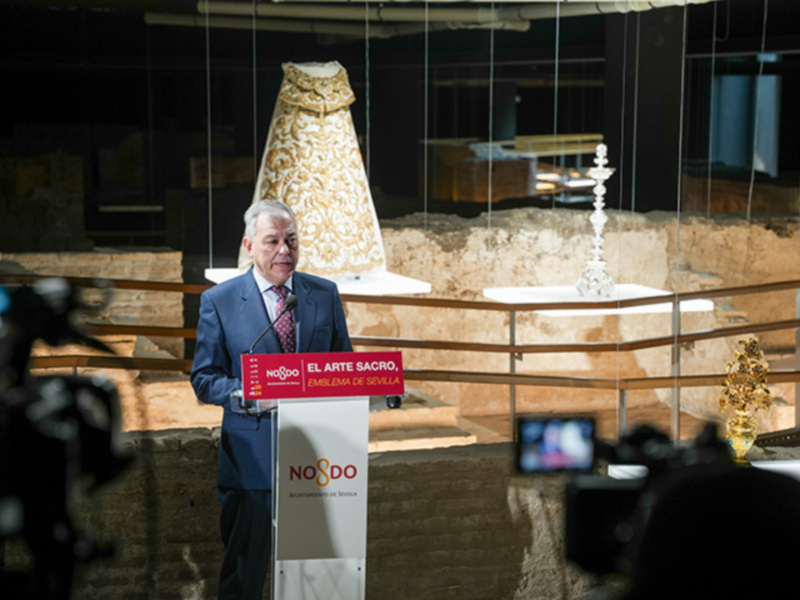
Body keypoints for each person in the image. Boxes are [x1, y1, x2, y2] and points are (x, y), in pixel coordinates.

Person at [191, 199, 352, 600]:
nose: (285, 250)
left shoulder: (324, 294)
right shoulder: (220, 301)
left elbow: (342, 366)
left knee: (312, 577)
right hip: (253, 462)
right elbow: (204, 379)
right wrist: (247, 397)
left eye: (292, 240)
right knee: (245, 574)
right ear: (249, 245)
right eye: (273, 241)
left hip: (321, 461)